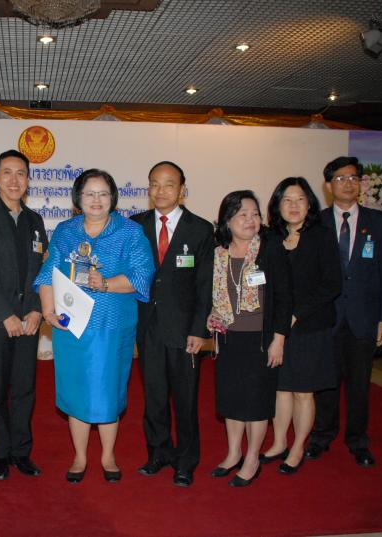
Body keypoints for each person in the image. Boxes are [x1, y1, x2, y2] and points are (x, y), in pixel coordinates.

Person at [34, 169, 155, 484]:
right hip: (71, 328)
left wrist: (107, 284)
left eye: (103, 193)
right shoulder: (65, 231)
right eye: (89, 193)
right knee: (77, 391)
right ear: (78, 198)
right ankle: (80, 456)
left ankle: (108, 456)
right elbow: (48, 272)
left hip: (111, 327)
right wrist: (47, 311)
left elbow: (142, 275)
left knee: (107, 390)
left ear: (113, 197)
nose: (96, 200)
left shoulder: (130, 232)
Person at [305, 156, 382, 468]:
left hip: (364, 318)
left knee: (359, 385)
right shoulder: (316, 222)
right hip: (326, 317)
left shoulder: (379, 222)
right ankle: (321, 436)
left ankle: (358, 441)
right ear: (328, 186)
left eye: (353, 178)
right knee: (325, 383)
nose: (348, 183)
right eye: (340, 178)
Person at [130, 161, 214, 487]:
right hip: (147, 326)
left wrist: (199, 330)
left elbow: (205, 286)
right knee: (153, 397)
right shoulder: (135, 226)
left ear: (182, 190)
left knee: (185, 399)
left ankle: (186, 460)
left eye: (169, 184)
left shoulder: (200, 229)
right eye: (154, 183)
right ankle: (158, 452)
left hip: (184, 331)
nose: (161, 190)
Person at [0, 150, 48, 481]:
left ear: (28, 179)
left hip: (29, 318)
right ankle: (0, 453)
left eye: (21, 173)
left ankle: (21, 452)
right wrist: (6, 315)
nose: (14, 180)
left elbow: (42, 270)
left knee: (25, 388)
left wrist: (36, 309)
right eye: (7, 173)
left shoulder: (35, 220)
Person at [207, 190, 291, 487]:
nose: (250, 220)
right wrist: (210, 316)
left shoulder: (270, 249)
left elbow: (285, 297)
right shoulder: (218, 252)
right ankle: (233, 453)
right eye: (242, 214)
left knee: (256, 403)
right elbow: (209, 294)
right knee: (232, 400)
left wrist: (278, 340)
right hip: (228, 337)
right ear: (227, 220)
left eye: (255, 214)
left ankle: (252, 458)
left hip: (261, 340)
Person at [261, 177, 341, 474]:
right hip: (276, 326)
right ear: (277, 205)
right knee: (281, 388)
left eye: (300, 199)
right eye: (287, 200)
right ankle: (280, 441)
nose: (293, 206)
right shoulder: (270, 238)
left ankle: (297, 447)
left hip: (310, 326)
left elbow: (331, 284)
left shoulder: (321, 236)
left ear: (310, 204)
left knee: (303, 392)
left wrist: (295, 315)